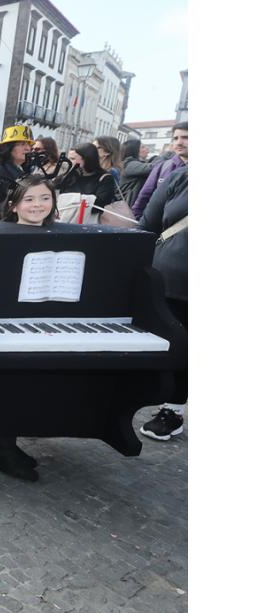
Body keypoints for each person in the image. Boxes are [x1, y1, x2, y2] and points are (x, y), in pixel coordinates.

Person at [0, 174, 60, 481]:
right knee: (11, 378)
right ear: (13, 205)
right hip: (4, 320)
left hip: (44, 320)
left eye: (45, 198)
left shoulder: (60, 235)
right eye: (29, 199)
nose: (38, 205)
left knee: (35, 379)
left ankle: (3, 440)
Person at [137, 166, 188, 441]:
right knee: (169, 346)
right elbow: (148, 224)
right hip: (167, 279)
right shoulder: (181, 177)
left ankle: (173, 410)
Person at [132, 122, 187, 218]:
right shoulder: (162, 167)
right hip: (158, 225)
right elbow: (143, 198)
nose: (179, 142)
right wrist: (137, 220)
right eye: (175, 138)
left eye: (185, 137)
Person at [55, 142, 117, 209]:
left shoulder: (105, 179)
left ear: (87, 159)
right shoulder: (69, 175)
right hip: (64, 213)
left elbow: (100, 204)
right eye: (68, 159)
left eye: (72, 159)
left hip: (87, 214)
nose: (69, 162)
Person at [119, 139, 156, 206]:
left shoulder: (136, 163)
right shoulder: (130, 164)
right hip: (127, 206)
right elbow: (152, 168)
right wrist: (168, 154)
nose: (147, 148)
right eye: (142, 147)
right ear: (135, 150)